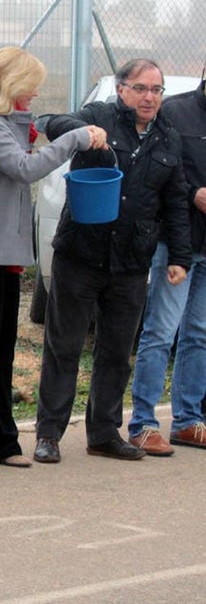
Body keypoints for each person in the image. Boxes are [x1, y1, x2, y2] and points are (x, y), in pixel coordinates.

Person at [0, 47, 106, 470]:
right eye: (29, 86)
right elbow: (23, 168)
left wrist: (30, 122)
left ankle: (0, 440)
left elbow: (23, 145)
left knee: (2, 346)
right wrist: (74, 139)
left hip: (2, 250)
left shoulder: (4, 125)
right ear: (10, 84)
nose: (35, 94)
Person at [34, 59, 191, 464]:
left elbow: (175, 201)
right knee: (64, 347)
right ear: (122, 89)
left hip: (130, 263)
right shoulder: (100, 115)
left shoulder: (168, 138)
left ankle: (103, 434)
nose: (150, 97)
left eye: (157, 90)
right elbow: (49, 120)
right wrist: (80, 132)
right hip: (80, 255)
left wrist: (179, 256)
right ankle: (48, 434)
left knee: (117, 352)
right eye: (141, 88)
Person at [128, 75, 206, 454]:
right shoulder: (174, 111)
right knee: (160, 331)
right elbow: (160, 175)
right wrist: (194, 194)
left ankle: (189, 420)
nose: (149, 97)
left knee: (200, 335)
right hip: (177, 243)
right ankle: (143, 421)